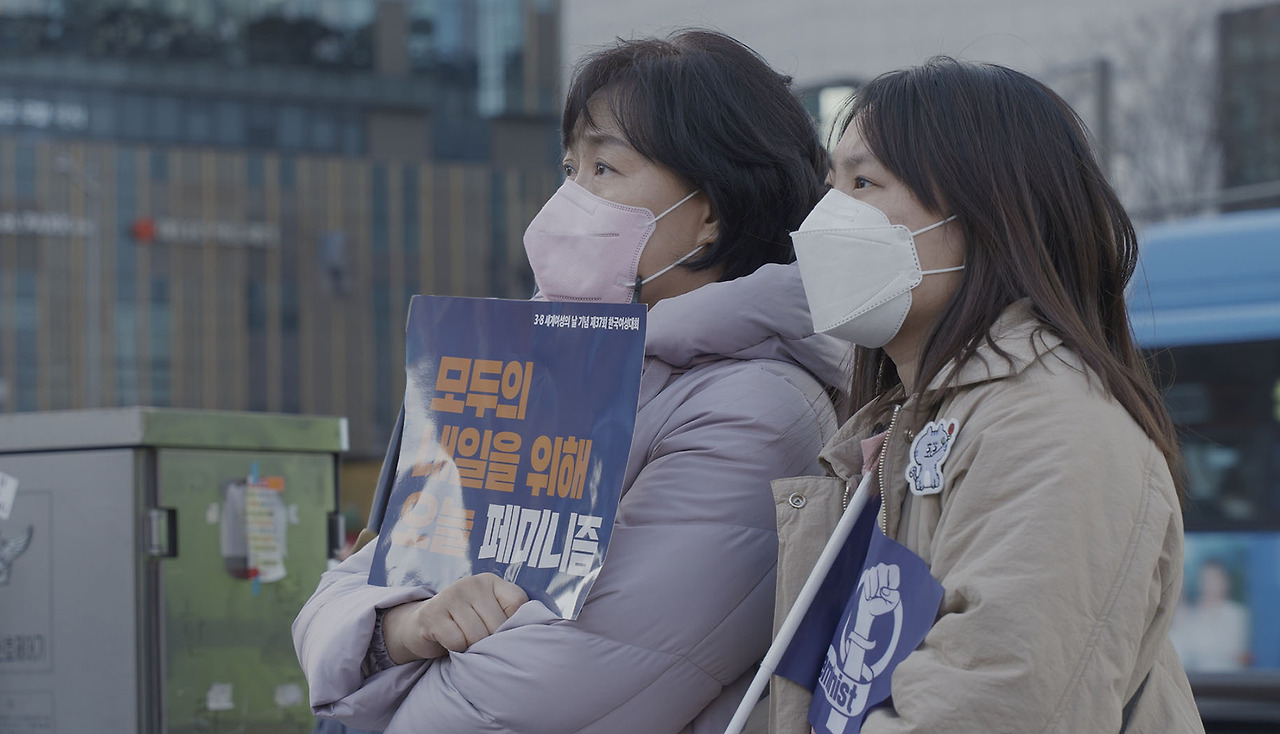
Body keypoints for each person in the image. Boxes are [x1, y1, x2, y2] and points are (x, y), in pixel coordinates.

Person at [294, 30, 851, 733]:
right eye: (569, 169)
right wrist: (404, 628)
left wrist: (379, 674)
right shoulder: (529, 372)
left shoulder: (756, 410)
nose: (570, 199)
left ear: (710, 211)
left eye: (604, 169)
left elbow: (546, 691)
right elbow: (340, 593)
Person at [772, 57, 1204, 732]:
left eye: (864, 182)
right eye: (832, 185)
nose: (829, 216)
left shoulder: (1054, 428)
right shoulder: (908, 425)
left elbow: (993, 703)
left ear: (987, 213)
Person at [1169, 558, 1251, 672]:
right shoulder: (1192, 616)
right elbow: (1183, 654)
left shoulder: (1237, 615)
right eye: (1206, 579)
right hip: (1199, 679)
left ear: (1225, 581)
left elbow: (1239, 654)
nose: (1210, 585)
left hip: (1229, 678)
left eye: (1215, 578)